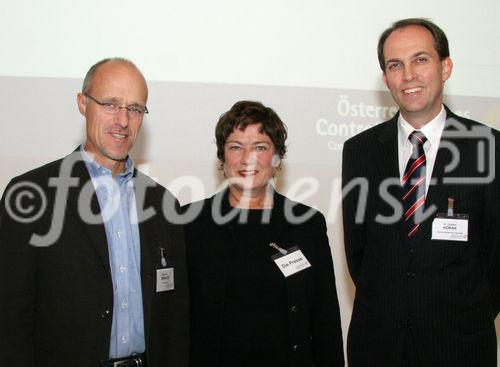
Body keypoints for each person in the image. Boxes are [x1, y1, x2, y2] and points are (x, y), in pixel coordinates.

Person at [0, 58, 189, 367]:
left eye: (135, 109)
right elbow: (10, 318)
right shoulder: (30, 196)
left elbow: (175, 320)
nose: (124, 121)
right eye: (111, 104)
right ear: (82, 103)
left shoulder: (164, 204)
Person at [342, 18, 499, 367]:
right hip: (379, 345)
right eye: (395, 65)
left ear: (446, 67)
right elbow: (359, 254)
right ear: (385, 78)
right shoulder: (360, 151)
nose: (408, 75)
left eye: (421, 60)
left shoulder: (488, 147)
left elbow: (496, 257)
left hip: (460, 347)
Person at [184, 101, 344, 367]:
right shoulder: (190, 222)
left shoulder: (308, 224)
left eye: (260, 147)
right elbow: (175, 321)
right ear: (222, 158)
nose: (248, 158)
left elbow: (325, 319)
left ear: (277, 157)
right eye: (236, 147)